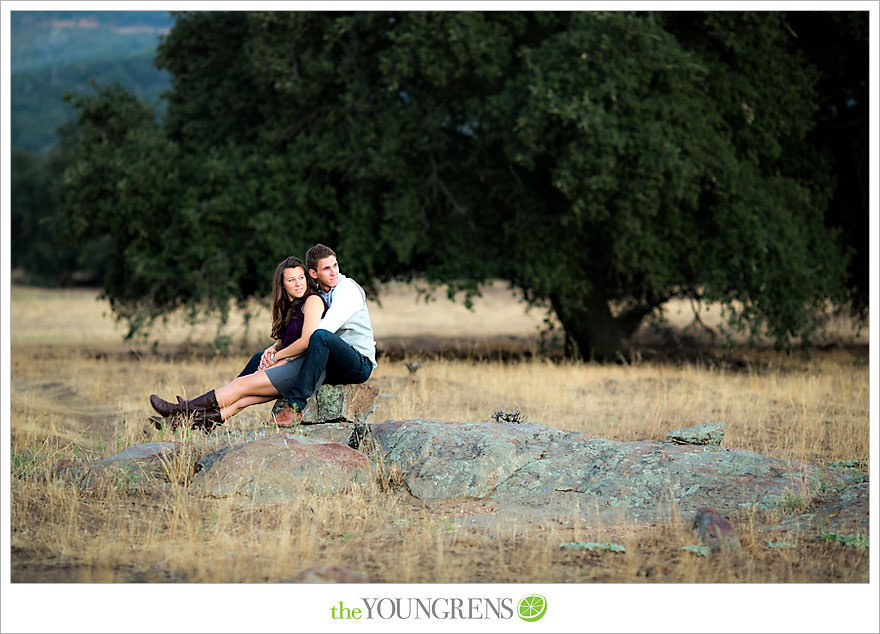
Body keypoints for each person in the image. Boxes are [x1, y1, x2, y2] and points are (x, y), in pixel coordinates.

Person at [148, 256, 327, 430]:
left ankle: (180, 410)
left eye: (301, 278)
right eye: (291, 280)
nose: (298, 283)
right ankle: (188, 423)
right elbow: (288, 338)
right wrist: (272, 348)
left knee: (239, 386)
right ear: (282, 285)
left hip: (303, 367)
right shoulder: (291, 305)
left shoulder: (312, 300)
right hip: (289, 361)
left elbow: (306, 341)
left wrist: (276, 358)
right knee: (242, 399)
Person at [269, 243, 377, 427]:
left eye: (335, 265)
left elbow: (322, 332)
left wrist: (281, 357)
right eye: (327, 268)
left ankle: (295, 407)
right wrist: (273, 350)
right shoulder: (316, 294)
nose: (334, 272)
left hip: (358, 363)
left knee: (321, 337)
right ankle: (222, 403)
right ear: (313, 273)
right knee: (259, 358)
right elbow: (298, 332)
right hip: (330, 363)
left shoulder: (347, 289)